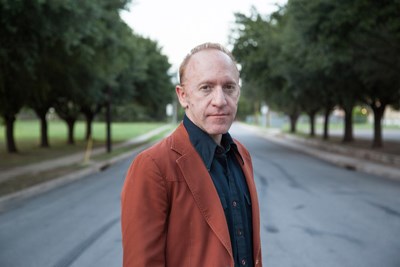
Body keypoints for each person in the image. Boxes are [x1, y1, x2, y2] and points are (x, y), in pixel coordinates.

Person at [121, 42, 262, 267]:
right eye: (206, 87)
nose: (220, 100)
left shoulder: (241, 155)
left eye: (229, 87)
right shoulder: (153, 166)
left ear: (238, 92)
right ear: (183, 96)